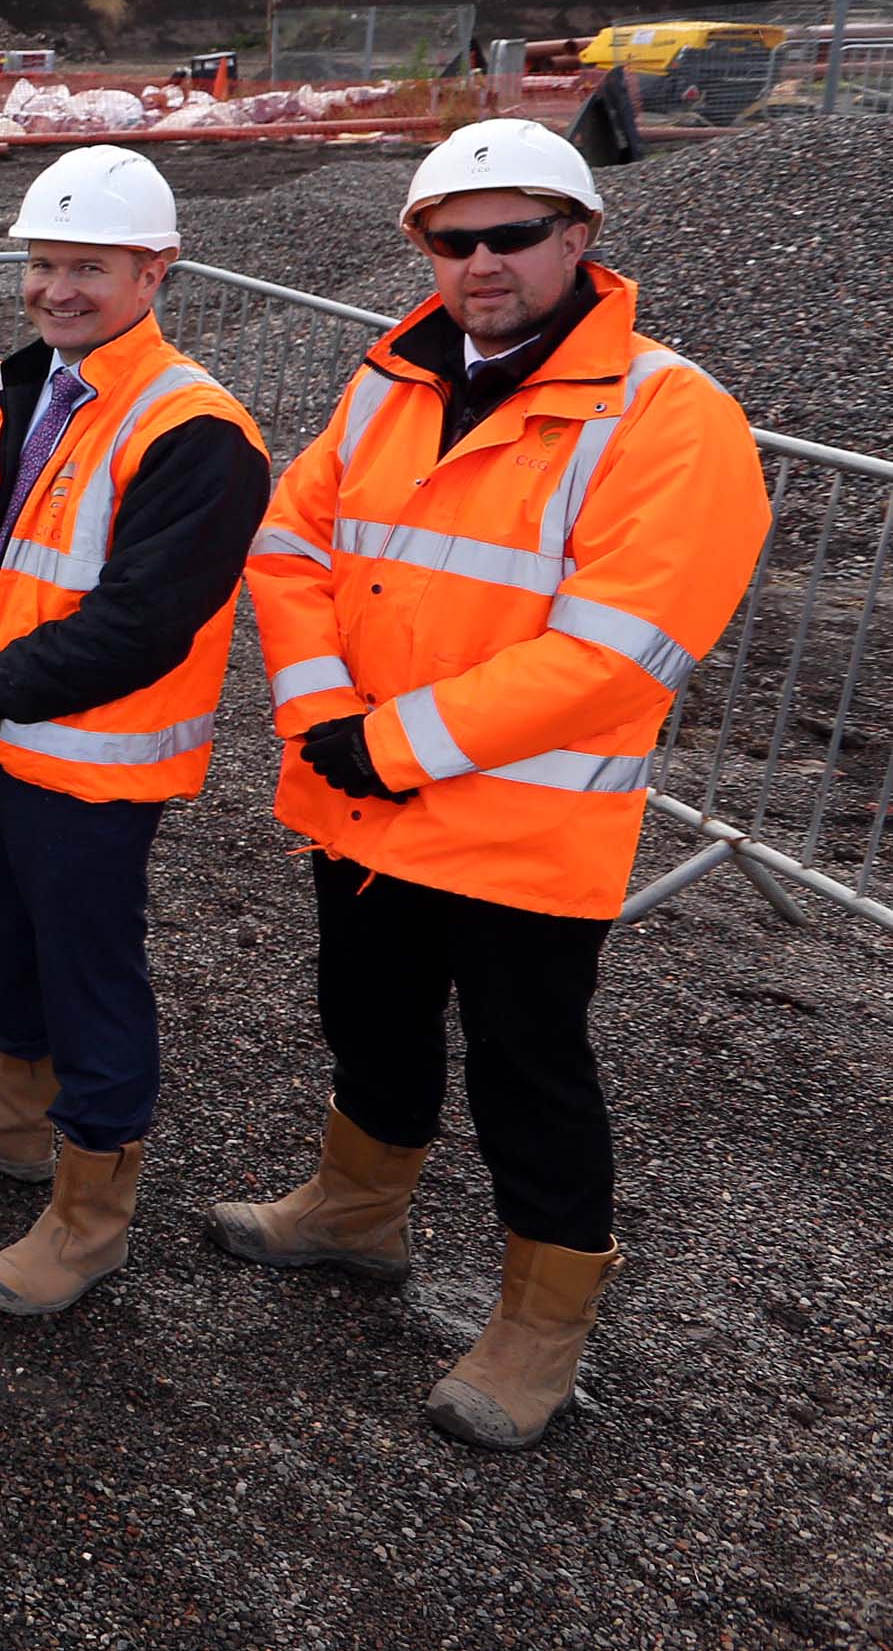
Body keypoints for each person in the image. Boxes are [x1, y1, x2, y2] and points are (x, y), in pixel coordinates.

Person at [226, 118, 767, 1450]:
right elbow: (291, 541)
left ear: (579, 238)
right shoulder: (389, 382)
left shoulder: (666, 412)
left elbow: (617, 646)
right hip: (364, 800)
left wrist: (394, 738)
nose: (478, 261)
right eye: (449, 238)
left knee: (529, 1067)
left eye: (510, 234)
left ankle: (541, 1323)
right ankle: (358, 1207)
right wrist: (320, 711)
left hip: (523, 829)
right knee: (366, 1012)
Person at [0, 147, 269, 1315]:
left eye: (86, 267)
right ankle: (4, 1117)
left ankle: (89, 1214)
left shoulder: (195, 428)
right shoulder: (1, 386)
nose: (57, 288)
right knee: (4, 939)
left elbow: (141, 621)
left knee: (92, 976)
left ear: (154, 272)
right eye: (43, 263)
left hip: (89, 763)